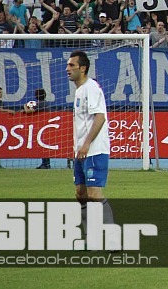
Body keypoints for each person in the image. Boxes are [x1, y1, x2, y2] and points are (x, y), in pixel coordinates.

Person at [67, 50, 114, 234]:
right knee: (81, 194)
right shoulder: (80, 91)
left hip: (94, 151)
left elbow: (100, 117)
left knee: (94, 194)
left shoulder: (91, 87)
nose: (67, 69)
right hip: (81, 151)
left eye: (72, 65)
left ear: (83, 68)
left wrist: (86, 144)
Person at [23, 88, 52, 168]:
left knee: (43, 144)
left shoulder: (40, 104)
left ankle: (45, 164)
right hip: (46, 126)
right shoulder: (45, 103)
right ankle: (46, 163)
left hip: (43, 127)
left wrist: (25, 106)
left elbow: (28, 111)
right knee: (44, 144)